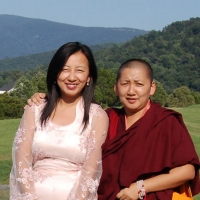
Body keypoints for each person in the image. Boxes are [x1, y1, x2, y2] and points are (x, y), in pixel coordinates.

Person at [27, 58, 200, 200]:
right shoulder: (106, 118)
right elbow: (72, 111)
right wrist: (46, 98)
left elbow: (187, 171)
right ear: (116, 88)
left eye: (139, 84)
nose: (131, 91)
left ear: (152, 87)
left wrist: (140, 187)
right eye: (125, 84)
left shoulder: (165, 121)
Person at [9, 42, 109, 200]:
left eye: (80, 70)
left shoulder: (97, 116)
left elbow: (91, 170)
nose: (71, 77)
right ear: (55, 74)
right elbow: (21, 159)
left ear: (89, 77)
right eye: (65, 69)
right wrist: (29, 197)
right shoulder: (35, 109)